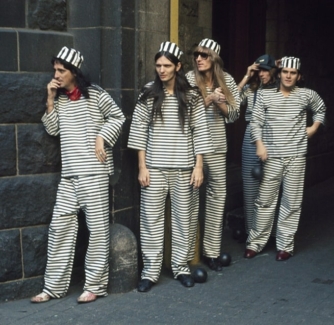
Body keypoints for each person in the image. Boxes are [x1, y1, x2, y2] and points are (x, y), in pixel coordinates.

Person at [31, 47, 125, 303]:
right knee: (59, 227)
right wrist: (50, 99)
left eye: (61, 71)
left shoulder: (95, 95)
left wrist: (101, 136)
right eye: (55, 70)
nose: (56, 75)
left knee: (97, 230)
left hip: (94, 173)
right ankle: (53, 287)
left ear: (74, 72)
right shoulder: (60, 99)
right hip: (70, 175)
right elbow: (53, 130)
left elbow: (118, 117)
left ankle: (95, 285)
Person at [128, 41, 212, 291]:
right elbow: (139, 131)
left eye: (166, 65)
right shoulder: (148, 93)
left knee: (184, 220)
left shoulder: (192, 95)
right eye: (158, 65)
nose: (161, 70)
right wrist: (142, 167)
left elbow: (201, 133)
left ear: (178, 66)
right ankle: (150, 271)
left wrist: (199, 167)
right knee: (151, 220)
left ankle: (181, 267)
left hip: (184, 169)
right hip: (154, 168)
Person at [244, 56, 326, 261]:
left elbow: (320, 109)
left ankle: (285, 246)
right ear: (279, 74)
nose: (288, 76)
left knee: (291, 202)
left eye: (293, 73)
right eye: (285, 72)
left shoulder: (307, 95)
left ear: (298, 76)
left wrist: (314, 128)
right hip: (271, 157)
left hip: (296, 156)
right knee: (264, 202)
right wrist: (260, 145)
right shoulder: (265, 96)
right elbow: (255, 122)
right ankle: (255, 243)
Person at [185, 38, 241, 271]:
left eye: (204, 55)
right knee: (189, 200)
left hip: (217, 147)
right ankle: (187, 256)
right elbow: (183, 113)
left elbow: (235, 115)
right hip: (192, 148)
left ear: (214, 58)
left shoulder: (226, 80)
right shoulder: (188, 79)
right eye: (197, 54)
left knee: (217, 200)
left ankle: (211, 253)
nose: (198, 58)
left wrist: (220, 102)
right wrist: (208, 99)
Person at [237, 54, 278, 239]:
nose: (262, 74)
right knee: (250, 188)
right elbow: (232, 100)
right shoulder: (251, 89)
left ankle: (269, 234)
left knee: (271, 187)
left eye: (266, 70)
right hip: (250, 140)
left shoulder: (280, 90)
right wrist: (247, 75)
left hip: (273, 138)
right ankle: (251, 233)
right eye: (259, 70)